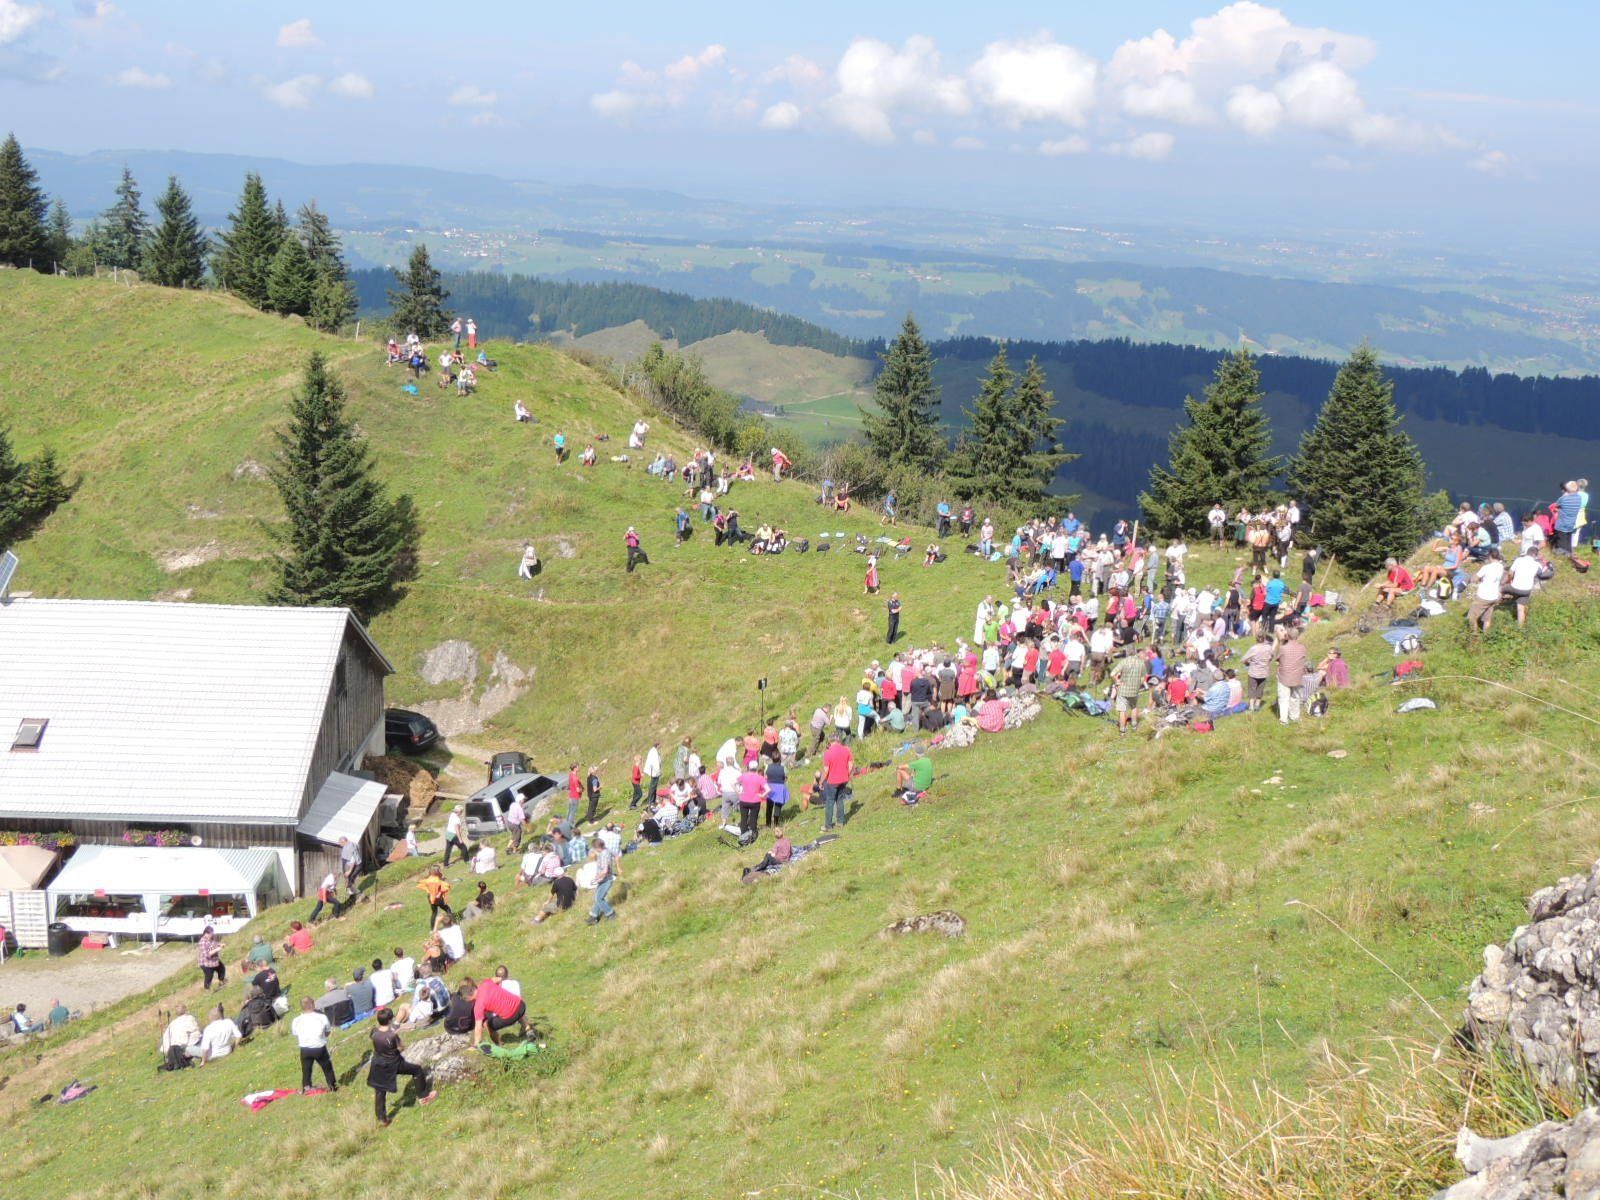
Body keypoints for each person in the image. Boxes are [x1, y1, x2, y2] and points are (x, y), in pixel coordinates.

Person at [368, 1007, 437, 1125]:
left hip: (378, 1064)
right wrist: (397, 1033)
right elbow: (401, 1047)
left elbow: (377, 1037)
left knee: (380, 1090)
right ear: (391, 1020)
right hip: (393, 1064)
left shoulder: (374, 1032)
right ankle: (423, 1096)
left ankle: (381, 1118)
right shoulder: (392, 1036)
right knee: (417, 1070)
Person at [291, 997, 337, 1094]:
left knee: (306, 1069)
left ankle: (306, 1087)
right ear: (312, 1005)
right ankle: (332, 1086)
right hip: (319, 1047)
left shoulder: (296, 1020)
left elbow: (295, 1033)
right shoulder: (321, 1017)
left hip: (304, 1048)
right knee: (327, 1068)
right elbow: (328, 1031)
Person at [467, 974, 528, 1046]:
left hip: (511, 1016)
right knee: (511, 1006)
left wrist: (476, 1044)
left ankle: (498, 1043)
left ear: (469, 998)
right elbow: (499, 979)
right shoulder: (485, 983)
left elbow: (478, 1027)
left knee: (487, 1024)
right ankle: (526, 1026)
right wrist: (499, 990)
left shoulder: (478, 1005)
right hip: (521, 1005)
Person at [1274, 630, 1309, 725]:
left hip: (1284, 677)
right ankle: (1295, 717)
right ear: (1297, 636)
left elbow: (1276, 659)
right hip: (1297, 677)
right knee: (1295, 697)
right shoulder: (1302, 648)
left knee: (1284, 698)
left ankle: (1284, 720)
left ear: (1287, 636)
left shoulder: (1283, 648)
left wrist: (1279, 642)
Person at [1467, 549, 1505, 633]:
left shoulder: (1486, 567)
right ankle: (1486, 635)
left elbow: (1474, 579)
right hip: (1494, 596)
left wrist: (1470, 578)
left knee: (1471, 617)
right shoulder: (1500, 566)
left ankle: (1474, 636)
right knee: (1487, 618)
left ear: (1490, 556)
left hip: (1484, 596)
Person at [820, 734, 853, 832]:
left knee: (830, 802)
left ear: (829, 741)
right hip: (843, 779)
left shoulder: (828, 753)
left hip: (832, 780)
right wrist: (847, 774)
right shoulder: (846, 749)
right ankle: (840, 821)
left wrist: (821, 782)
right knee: (840, 800)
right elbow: (851, 763)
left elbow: (826, 770)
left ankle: (828, 826)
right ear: (838, 740)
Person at [587, 839, 618, 925]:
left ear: (597, 847)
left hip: (606, 880)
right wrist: (619, 867)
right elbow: (616, 855)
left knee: (599, 898)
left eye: (594, 848)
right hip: (603, 880)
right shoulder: (606, 849)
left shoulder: (604, 855)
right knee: (597, 897)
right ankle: (593, 916)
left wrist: (595, 879)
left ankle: (611, 914)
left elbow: (605, 871)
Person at [418, 867, 452, 932]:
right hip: (438, 897)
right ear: (436, 872)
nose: (440, 872)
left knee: (434, 913)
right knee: (447, 909)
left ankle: (432, 929)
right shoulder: (438, 880)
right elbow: (445, 887)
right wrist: (443, 881)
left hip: (430, 897)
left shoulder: (428, 880)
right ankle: (452, 923)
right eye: (439, 871)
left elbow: (422, 884)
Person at [197, 925, 225, 991]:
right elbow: (207, 954)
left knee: (222, 969)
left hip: (214, 960)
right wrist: (217, 950)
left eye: (212, 934)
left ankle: (221, 982)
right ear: (206, 934)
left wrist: (219, 945)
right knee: (209, 976)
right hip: (206, 962)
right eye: (211, 934)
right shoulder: (202, 942)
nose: (212, 936)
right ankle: (207, 989)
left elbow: (214, 943)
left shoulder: (212, 938)